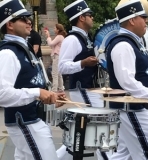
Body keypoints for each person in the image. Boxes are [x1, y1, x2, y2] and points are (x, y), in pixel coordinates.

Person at [106, 0, 148, 159]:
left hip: (135, 109)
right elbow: (127, 82)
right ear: (131, 20)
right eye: (142, 17)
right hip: (132, 110)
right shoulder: (123, 45)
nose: (146, 21)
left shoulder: (133, 43)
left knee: (122, 155)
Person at [0, 0, 68, 159]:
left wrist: (48, 96)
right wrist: (37, 92)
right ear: (10, 24)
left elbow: (30, 83)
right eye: (23, 19)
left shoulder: (23, 49)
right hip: (25, 122)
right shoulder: (8, 53)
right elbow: (2, 94)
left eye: (28, 18)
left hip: (32, 120)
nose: (29, 21)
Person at [59, 0, 108, 159]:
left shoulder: (85, 37)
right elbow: (62, 67)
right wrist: (83, 63)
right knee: (101, 129)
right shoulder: (72, 39)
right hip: (82, 90)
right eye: (89, 15)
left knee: (84, 133)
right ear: (81, 17)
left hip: (89, 89)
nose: (92, 18)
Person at [44, 23, 66, 93]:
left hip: (57, 56)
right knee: (59, 74)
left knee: (54, 73)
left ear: (58, 29)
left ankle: (54, 90)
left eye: (55, 28)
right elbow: (53, 46)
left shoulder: (59, 36)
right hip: (59, 56)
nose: (54, 29)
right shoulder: (61, 37)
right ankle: (61, 88)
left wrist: (48, 36)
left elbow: (51, 44)